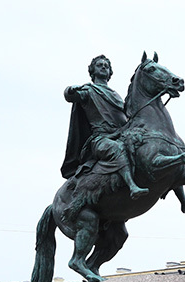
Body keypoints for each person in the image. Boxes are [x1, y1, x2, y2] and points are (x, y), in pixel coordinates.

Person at [61, 55, 148, 200]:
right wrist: (70, 89)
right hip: (101, 139)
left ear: (110, 73)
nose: (103, 67)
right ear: (92, 71)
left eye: (106, 66)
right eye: (99, 65)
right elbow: (70, 96)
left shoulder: (116, 95)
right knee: (116, 150)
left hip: (120, 135)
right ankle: (132, 187)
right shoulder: (88, 90)